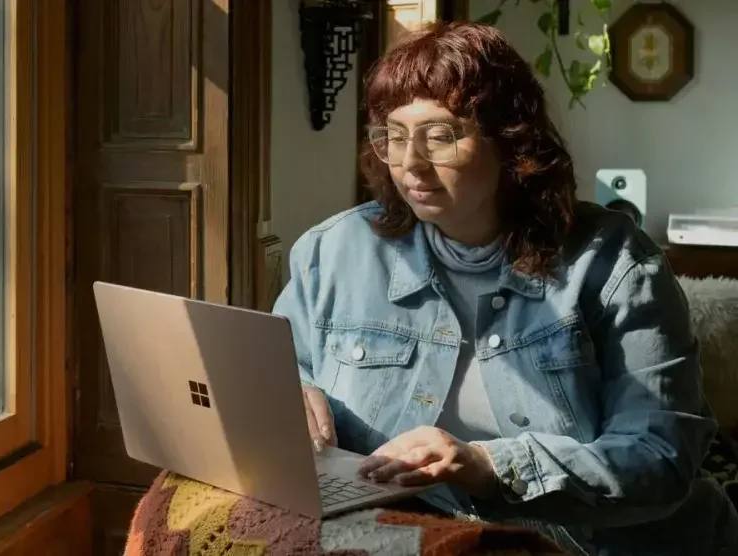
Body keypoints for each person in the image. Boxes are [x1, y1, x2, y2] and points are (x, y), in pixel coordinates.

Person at [273, 21, 738, 556]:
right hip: (407, 535)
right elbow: (287, 365)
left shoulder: (614, 264)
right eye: (393, 137)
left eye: (440, 136)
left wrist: (493, 466)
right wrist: (293, 391)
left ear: (511, 138)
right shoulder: (332, 252)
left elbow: (661, 455)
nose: (409, 164)